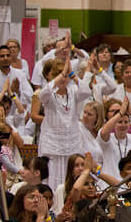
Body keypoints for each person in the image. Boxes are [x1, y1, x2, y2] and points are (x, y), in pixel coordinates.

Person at [38, 59, 92, 190]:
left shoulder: (73, 91)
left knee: (71, 177)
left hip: (71, 143)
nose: (63, 79)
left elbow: (86, 91)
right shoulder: (49, 95)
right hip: (53, 145)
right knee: (53, 179)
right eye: (59, 75)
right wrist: (61, 75)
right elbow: (42, 94)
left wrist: (72, 73)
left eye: (66, 76)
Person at [98, 96, 131, 180]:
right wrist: (120, 113)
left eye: (126, 122)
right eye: (119, 122)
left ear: (130, 124)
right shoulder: (108, 138)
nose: (123, 125)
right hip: (110, 181)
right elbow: (103, 132)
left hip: (130, 181)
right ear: (114, 123)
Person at [0, 45, 33, 111]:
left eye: (8, 55)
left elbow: (30, 96)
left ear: (11, 58)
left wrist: (18, 92)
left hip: (17, 114)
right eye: (2, 56)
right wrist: (9, 92)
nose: (5, 58)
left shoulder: (20, 74)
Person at [79, 101, 105, 166]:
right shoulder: (78, 129)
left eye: (89, 114)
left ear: (97, 118)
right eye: (84, 112)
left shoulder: (102, 132)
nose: (85, 116)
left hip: (102, 170)